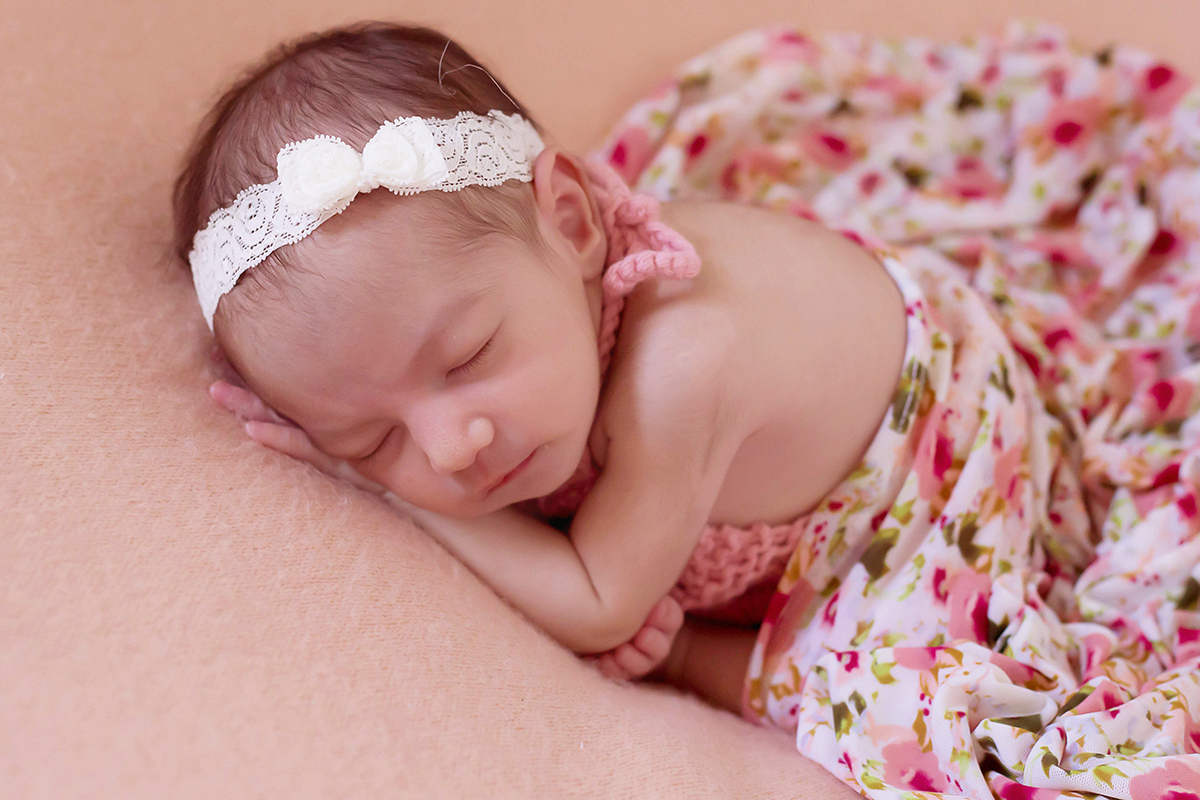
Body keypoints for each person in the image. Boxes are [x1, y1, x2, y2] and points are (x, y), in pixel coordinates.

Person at [174, 21, 909, 716]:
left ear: (573, 221)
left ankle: (686, 655)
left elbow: (599, 603)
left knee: (861, 696)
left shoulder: (684, 371)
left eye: (468, 357)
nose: (449, 450)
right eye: (369, 439)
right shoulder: (530, 309)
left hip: (915, 482)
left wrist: (386, 491)